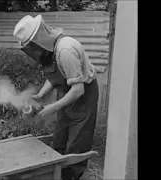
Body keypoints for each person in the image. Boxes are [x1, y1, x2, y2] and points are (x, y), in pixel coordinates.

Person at [13, 14, 99, 180]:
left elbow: (78, 90)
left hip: (83, 95)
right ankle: (55, 173)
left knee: (77, 142)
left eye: (31, 47)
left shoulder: (65, 50)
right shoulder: (51, 52)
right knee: (60, 137)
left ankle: (70, 176)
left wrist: (52, 107)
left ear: (38, 41)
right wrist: (40, 95)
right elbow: (55, 76)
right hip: (67, 92)